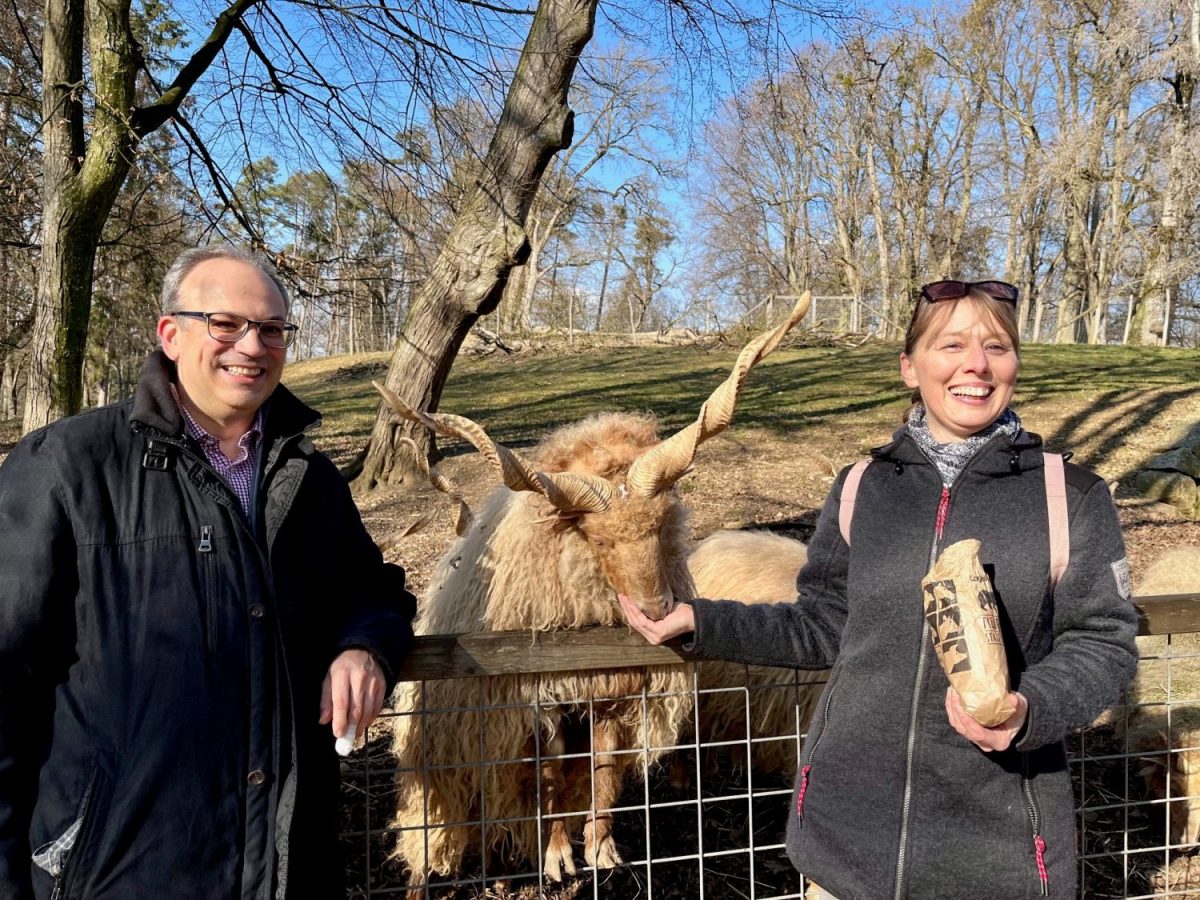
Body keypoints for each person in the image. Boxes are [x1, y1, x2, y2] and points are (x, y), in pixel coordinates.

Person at [620, 279, 1138, 899]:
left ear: (1015, 366)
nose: (976, 364)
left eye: (997, 347)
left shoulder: (1070, 496)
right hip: (845, 846)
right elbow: (824, 623)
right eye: (951, 345)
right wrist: (701, 622)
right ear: (909, 368)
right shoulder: (862, 487)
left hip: (995, 854)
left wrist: (1030, 710)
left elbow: (1105, 643)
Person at [0, 247, 417, 899]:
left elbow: (374, 591)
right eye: (225, 323)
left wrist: (364, 646)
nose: (252, 346)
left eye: (273, 329)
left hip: (282, 867)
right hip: (116, 873)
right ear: (171, 334)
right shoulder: (66, 468)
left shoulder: (308, 481)